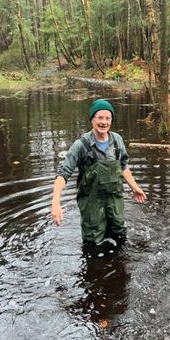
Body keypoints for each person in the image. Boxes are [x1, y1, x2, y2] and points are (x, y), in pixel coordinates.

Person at [51, 99, 146, 244]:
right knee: (93, 244)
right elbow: (63, 174)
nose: (104, 122)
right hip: (91, 205)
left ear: (111, 120)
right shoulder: (81, 145)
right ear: (92, 120)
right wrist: (56, 202)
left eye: (107, 118)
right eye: (99, 117)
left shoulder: (117, 140)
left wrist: (135, 187)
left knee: (120, 236)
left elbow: (123, 165)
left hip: (115, 201)